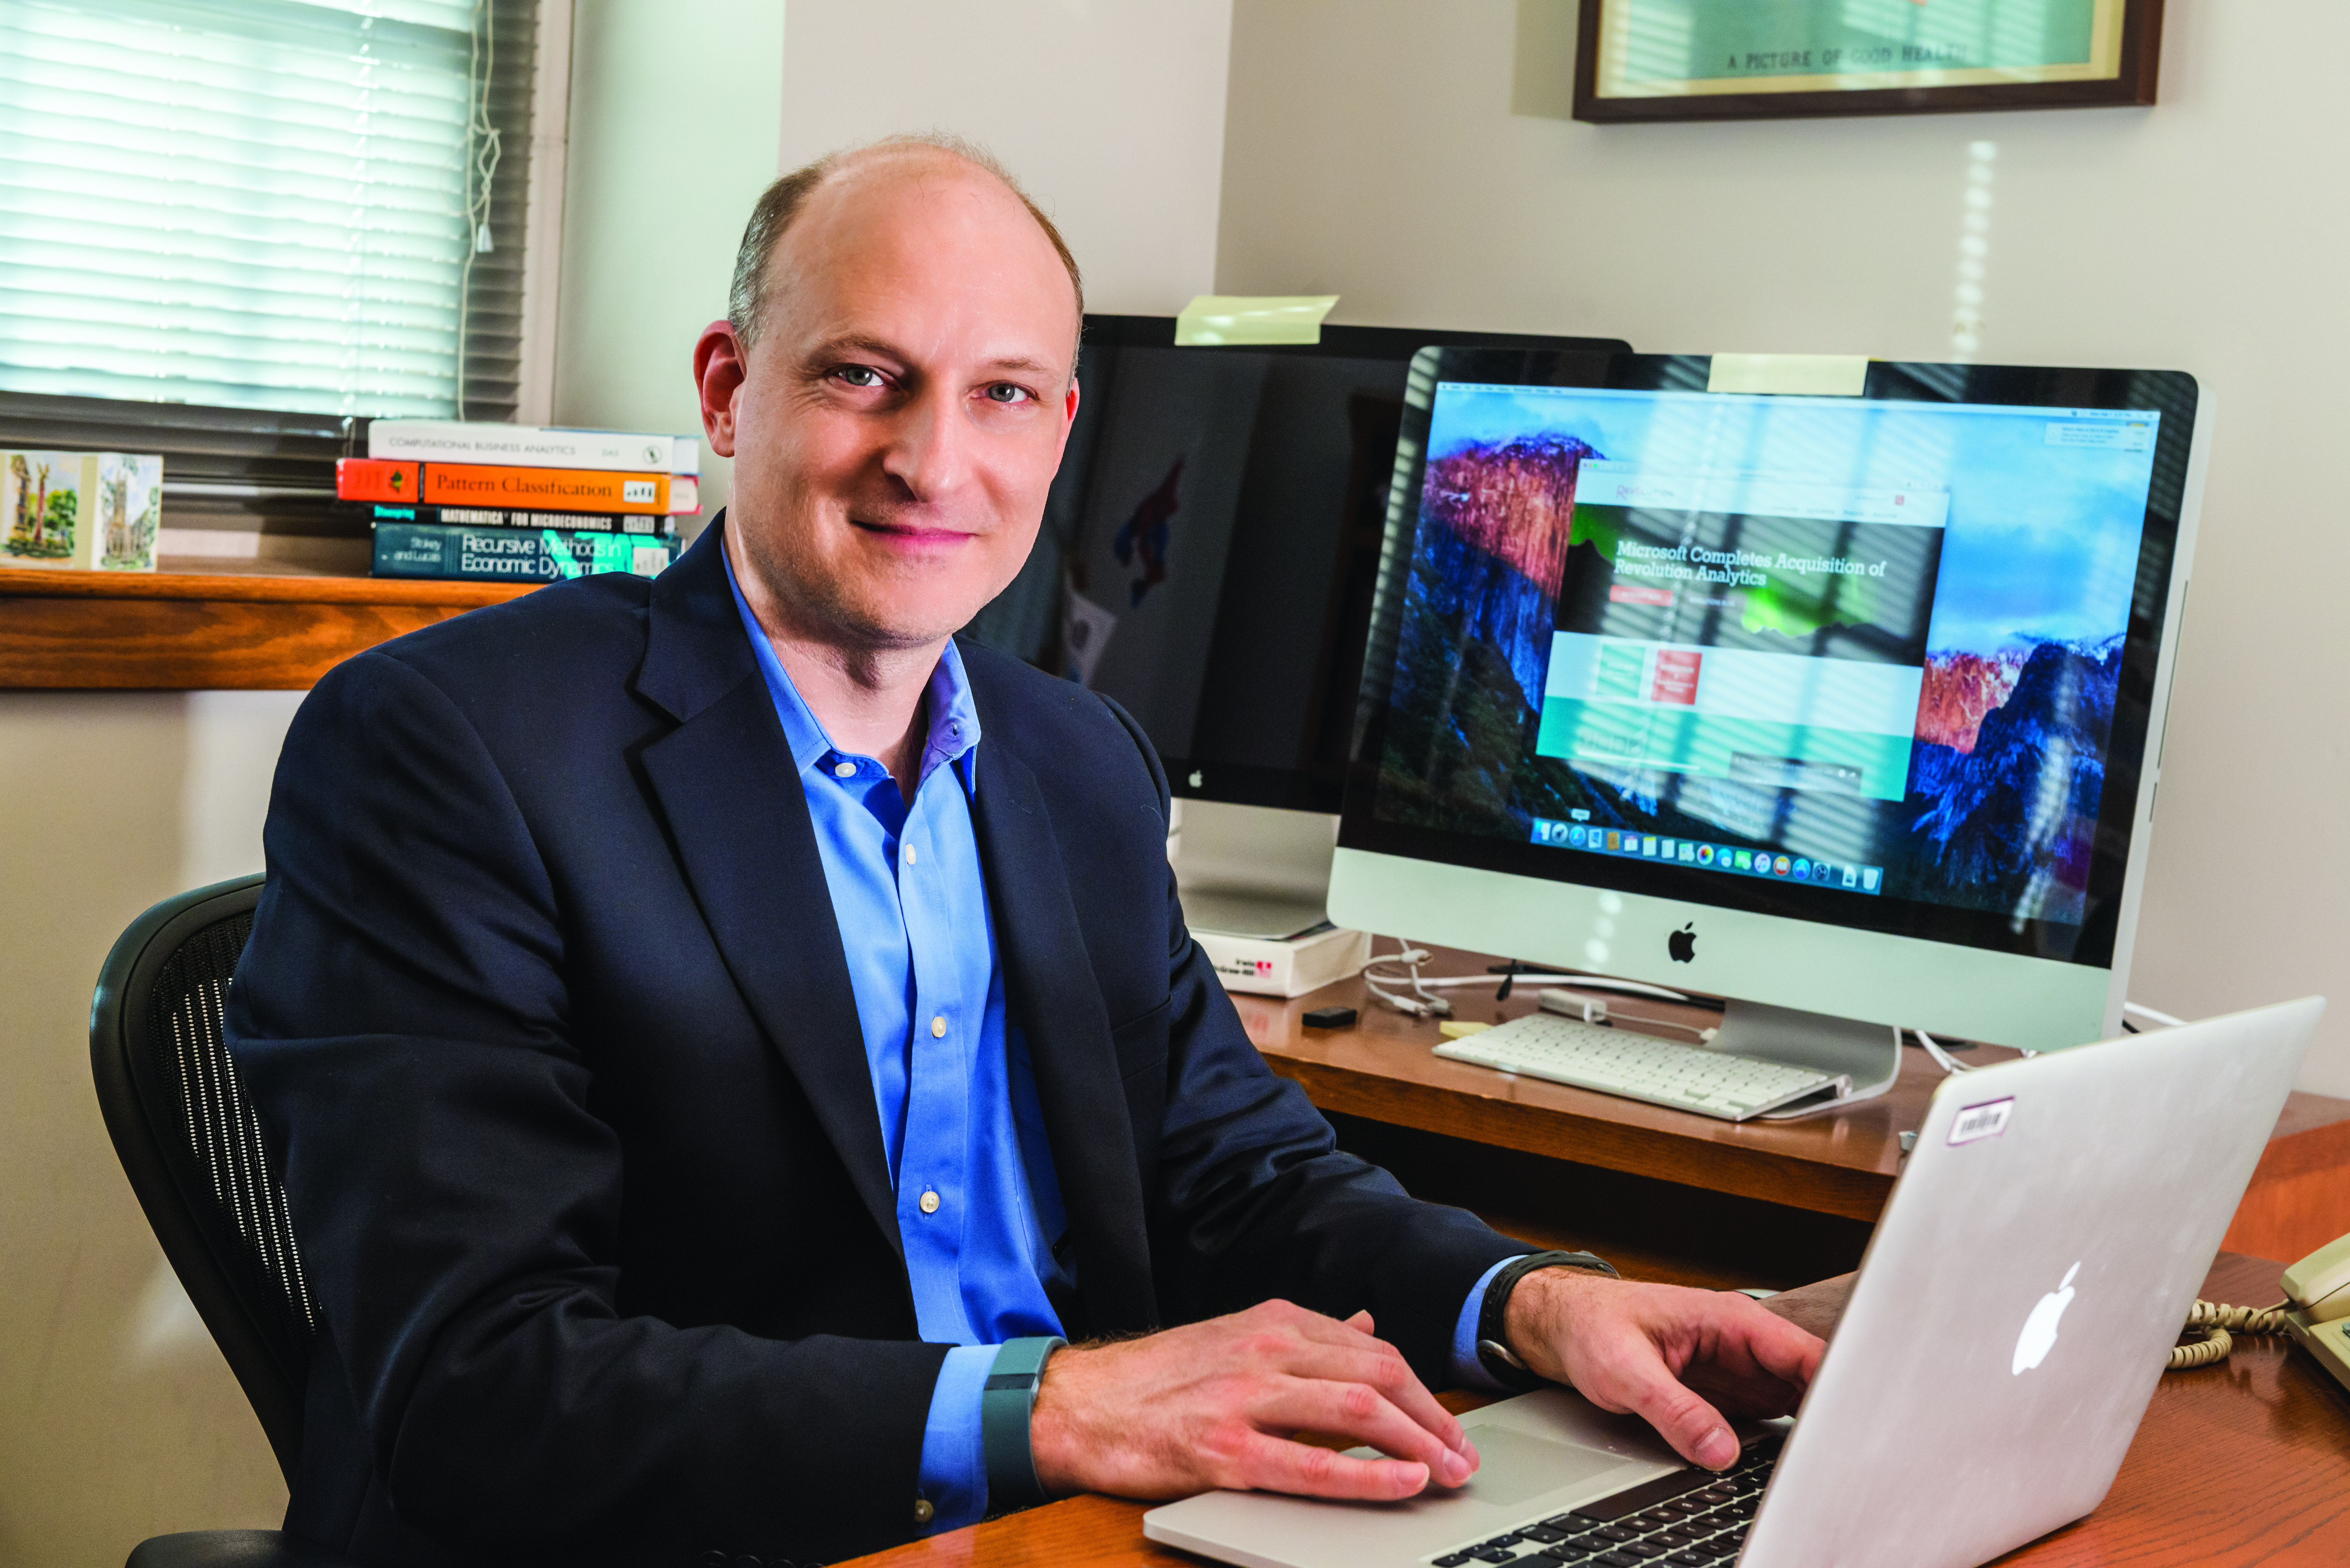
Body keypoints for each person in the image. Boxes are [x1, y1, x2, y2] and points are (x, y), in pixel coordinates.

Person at [227, 134, 1822, 1568]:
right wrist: (1052, 1405)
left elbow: (1237, 1167)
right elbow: (478, 1384)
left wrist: (1534, 1300)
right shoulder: (446, 747)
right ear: (727, 391)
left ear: (1061, 430)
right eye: (864, 375)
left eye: (1000, 392)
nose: (935, 463)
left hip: (1084, 1523)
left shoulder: (1077, 760)